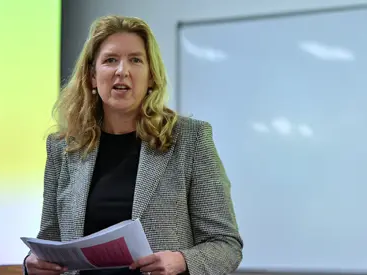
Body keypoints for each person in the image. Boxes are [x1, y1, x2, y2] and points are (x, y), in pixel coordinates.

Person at [24, 15, 243, 275]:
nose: (122, 70)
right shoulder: (63, 148)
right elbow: (49, 240)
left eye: (135, 60)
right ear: (92, 76)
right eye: (110, 60)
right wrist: (32, 264)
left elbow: (227, 246)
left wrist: (182, 261)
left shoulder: (190, 140)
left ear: (151, 76)